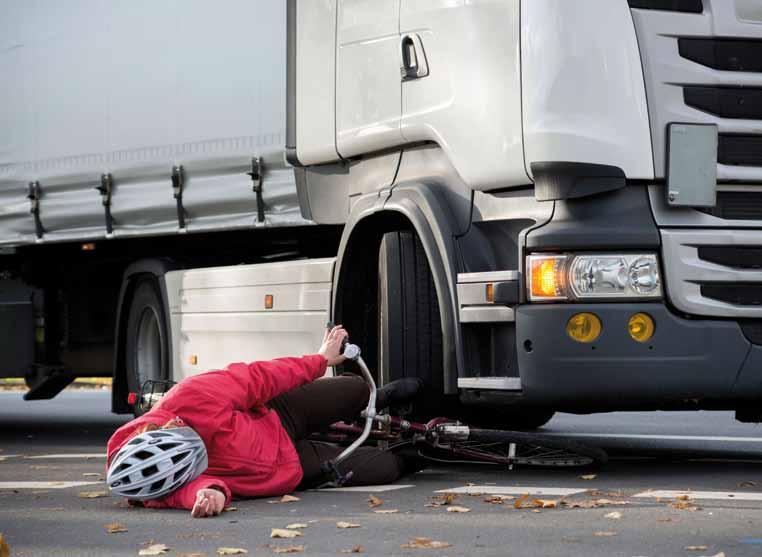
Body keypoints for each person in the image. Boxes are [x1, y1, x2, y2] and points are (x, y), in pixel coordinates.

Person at [106, 325, 422, 518]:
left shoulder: (190, 397)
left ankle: (377, 397)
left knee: (351, 390)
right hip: (286, 466)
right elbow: (184, 493)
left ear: (169, 428)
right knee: (386, 467)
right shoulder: (149, 483)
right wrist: (210, 492)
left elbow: (259, 378)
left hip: (276, 414)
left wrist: (320, 360)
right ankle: (422, 454)